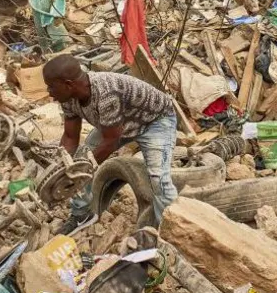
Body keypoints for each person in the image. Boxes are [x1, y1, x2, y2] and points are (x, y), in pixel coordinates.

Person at [43, 55, 178, 234]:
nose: (49, 91)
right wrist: (60, 165)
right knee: (77, 160)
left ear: (68, 84)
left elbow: (111, 141)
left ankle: (171, 234)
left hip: (154, 122)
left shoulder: (106, 93)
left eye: (51, 86)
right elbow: (70, 136)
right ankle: (82, 213)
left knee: (158, 179)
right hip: (116, 125)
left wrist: (77, 172)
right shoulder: (68, 98)